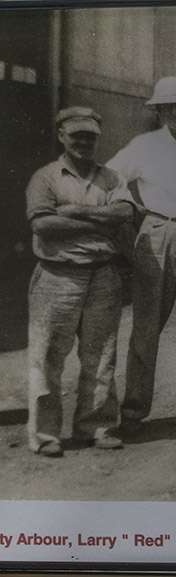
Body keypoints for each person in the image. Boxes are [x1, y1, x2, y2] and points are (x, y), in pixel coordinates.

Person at [25, 106, 135, 457]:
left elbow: (125, 212)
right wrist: (100, 223)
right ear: (62, 136)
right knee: (47, 357)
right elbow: (43, 224)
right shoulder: (45, 177)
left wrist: (74, 212)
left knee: (101, 356)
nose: (85, 142)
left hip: (103, 274)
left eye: (90, 136)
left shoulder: (112, 178)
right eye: (77, 136)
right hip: (58, 275)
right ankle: (46, 435)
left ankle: (97, 427)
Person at [108, 76, 176, 430]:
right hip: (158, 232)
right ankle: (134, 412)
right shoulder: (144, 146)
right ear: (162, 110)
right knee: (147, 327)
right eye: (173, 106)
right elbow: (108, 177)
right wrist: (129, 207)